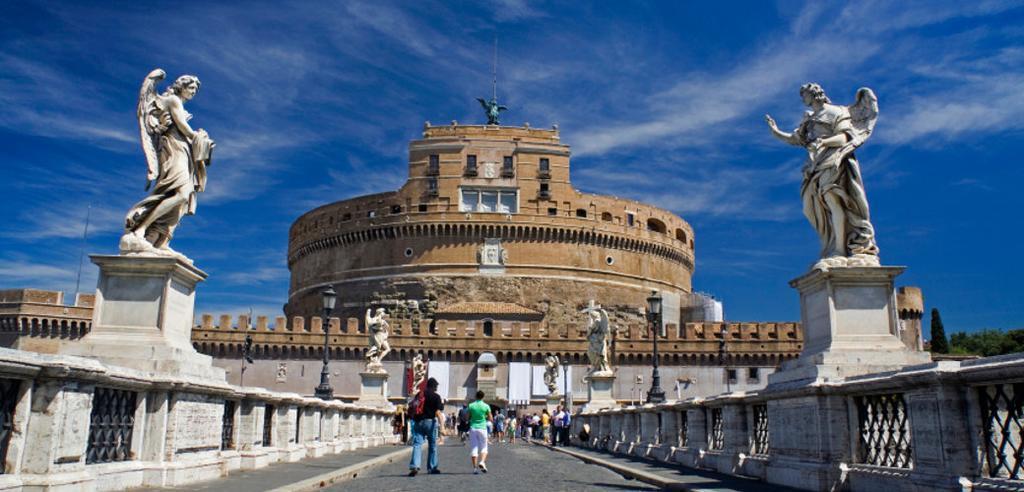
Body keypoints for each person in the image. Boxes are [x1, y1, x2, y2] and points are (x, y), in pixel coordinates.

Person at [408, 378, 445, 476]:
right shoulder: (436, 396)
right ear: (434, 386)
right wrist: (442, 427)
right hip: (430, 423)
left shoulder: (420, 394)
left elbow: (412, 406)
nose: (437, 387)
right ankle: (432, 467)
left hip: (418, 422)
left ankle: (415, 466)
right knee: (432, 445)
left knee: (417, 444)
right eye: (436, 386)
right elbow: (439, 411)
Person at [467, 390, 493, 474]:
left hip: (473, 428)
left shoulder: (471, 405)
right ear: (483, 397)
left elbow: (468, 417)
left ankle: (475, 469)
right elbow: (491, 419)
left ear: (476, 396)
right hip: (482, 428)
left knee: (474, 447)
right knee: (484, 447)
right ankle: (482, 462)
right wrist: (484, 416)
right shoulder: (486, 406)